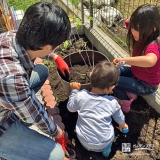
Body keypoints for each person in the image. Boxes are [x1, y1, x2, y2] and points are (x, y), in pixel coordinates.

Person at [0, 2, 73, 160]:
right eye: (56, 47)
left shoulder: (11, 35)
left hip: (7, 92)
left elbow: (34, 48)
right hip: (1, 122)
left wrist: (54, 57)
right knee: (56, 154)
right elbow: (36, 116)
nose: (57, 48)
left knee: (41, 71)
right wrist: (58, 133)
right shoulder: (14, 79)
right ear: (46, 46)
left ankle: (16, 108)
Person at [67, 61, 128, 158]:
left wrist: (74, 91)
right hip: (104, 143)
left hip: (84, 141)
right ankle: (106, 151)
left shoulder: (81, 96)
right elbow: (119, 117)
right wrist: (123, 125)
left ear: (91, 78)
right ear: (111, 87)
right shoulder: (112, 102)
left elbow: (70, 108)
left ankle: (88, 149)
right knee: (109, 137)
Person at [112, 4, 160, 113]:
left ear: (152, 29)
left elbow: (150, 60)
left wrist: (124, 59)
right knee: (112, 72)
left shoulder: (153, 44)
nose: (133, 32)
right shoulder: (140, 31)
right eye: (133, 27)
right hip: (136, 74)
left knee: (112, 81)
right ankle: (131, 92)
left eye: (137, 29)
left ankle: (124, 103)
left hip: (146, 86)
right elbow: (127, 21)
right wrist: (139, 14)